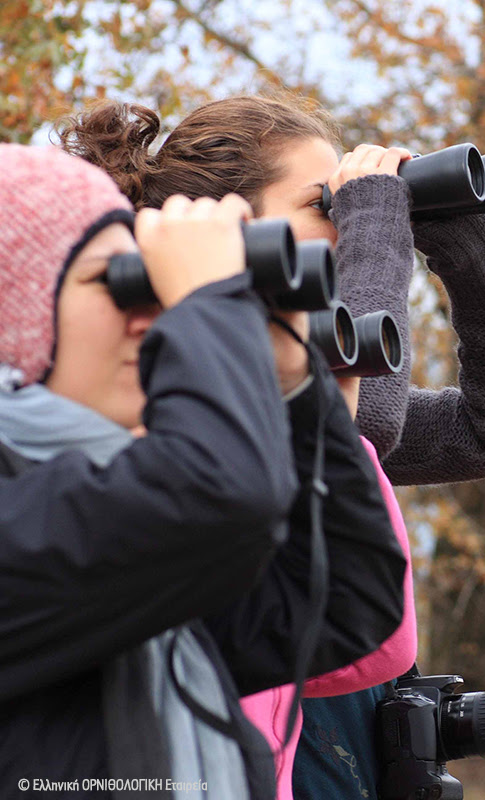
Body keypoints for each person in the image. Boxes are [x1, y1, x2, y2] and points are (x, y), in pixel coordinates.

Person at [58, 95, 485, 799]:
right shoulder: (158, 401)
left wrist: (460, 243)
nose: (351, 226)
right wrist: (378, 231)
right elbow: (358, 432)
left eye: (351, 206)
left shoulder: (281, 384)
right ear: (228, 231)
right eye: (327, 207)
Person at [0, 146, 405, 796]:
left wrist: (287, 381)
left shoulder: (114, 513)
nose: (153, 316)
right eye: (119, 281)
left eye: (155, 286)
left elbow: (340, 600)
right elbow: (220, 500)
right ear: (11, 310)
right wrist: (212, 303)